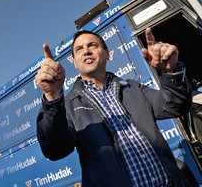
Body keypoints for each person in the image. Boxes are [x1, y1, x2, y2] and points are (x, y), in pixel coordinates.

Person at [35, 27, 192, 187]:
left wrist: (170, 72)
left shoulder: (133, 88)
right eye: (79, 49)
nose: (86, 51)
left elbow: (175, 105)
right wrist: (53, 99)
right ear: (74, 63)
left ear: (107, 53)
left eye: (93, 46)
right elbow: (55, 150)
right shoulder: (68, 105)